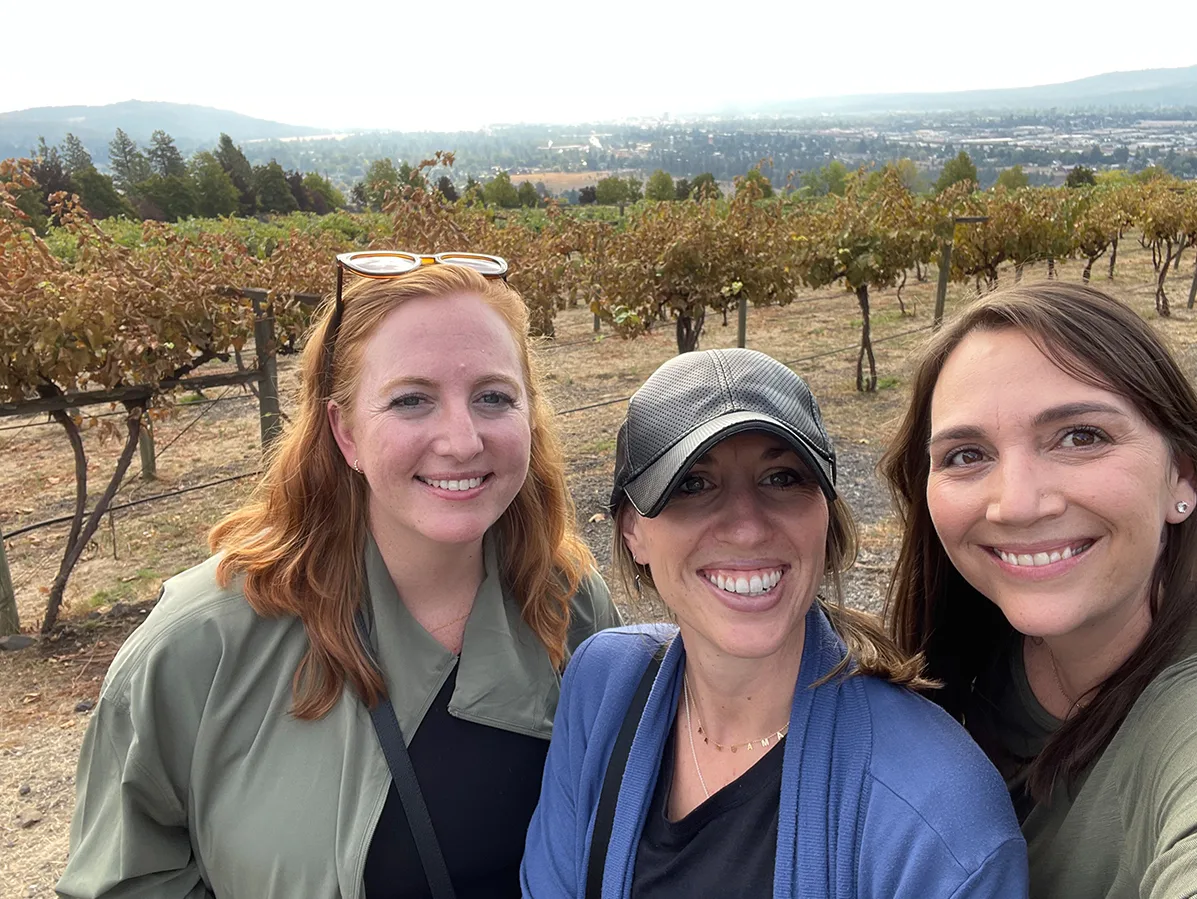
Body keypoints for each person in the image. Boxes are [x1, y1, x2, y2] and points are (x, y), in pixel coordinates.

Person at [57, 253, 620, 899]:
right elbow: (125, 879)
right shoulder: (199, 645)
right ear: (344, 430)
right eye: (411, 400)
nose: (462, 440)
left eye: (494, 396)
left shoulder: (570, 606)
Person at [522, 347, 1027, 898]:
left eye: (782, 478)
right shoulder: (602, 687)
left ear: (826, 516)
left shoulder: (937, 817)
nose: (746, 529)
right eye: (692, 484)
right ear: (631, 532)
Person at [882, 281, 1197, 898]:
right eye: (967, 454)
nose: (1018, 503)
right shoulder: (966, 655)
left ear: (1182, 473)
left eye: (1081, 436)